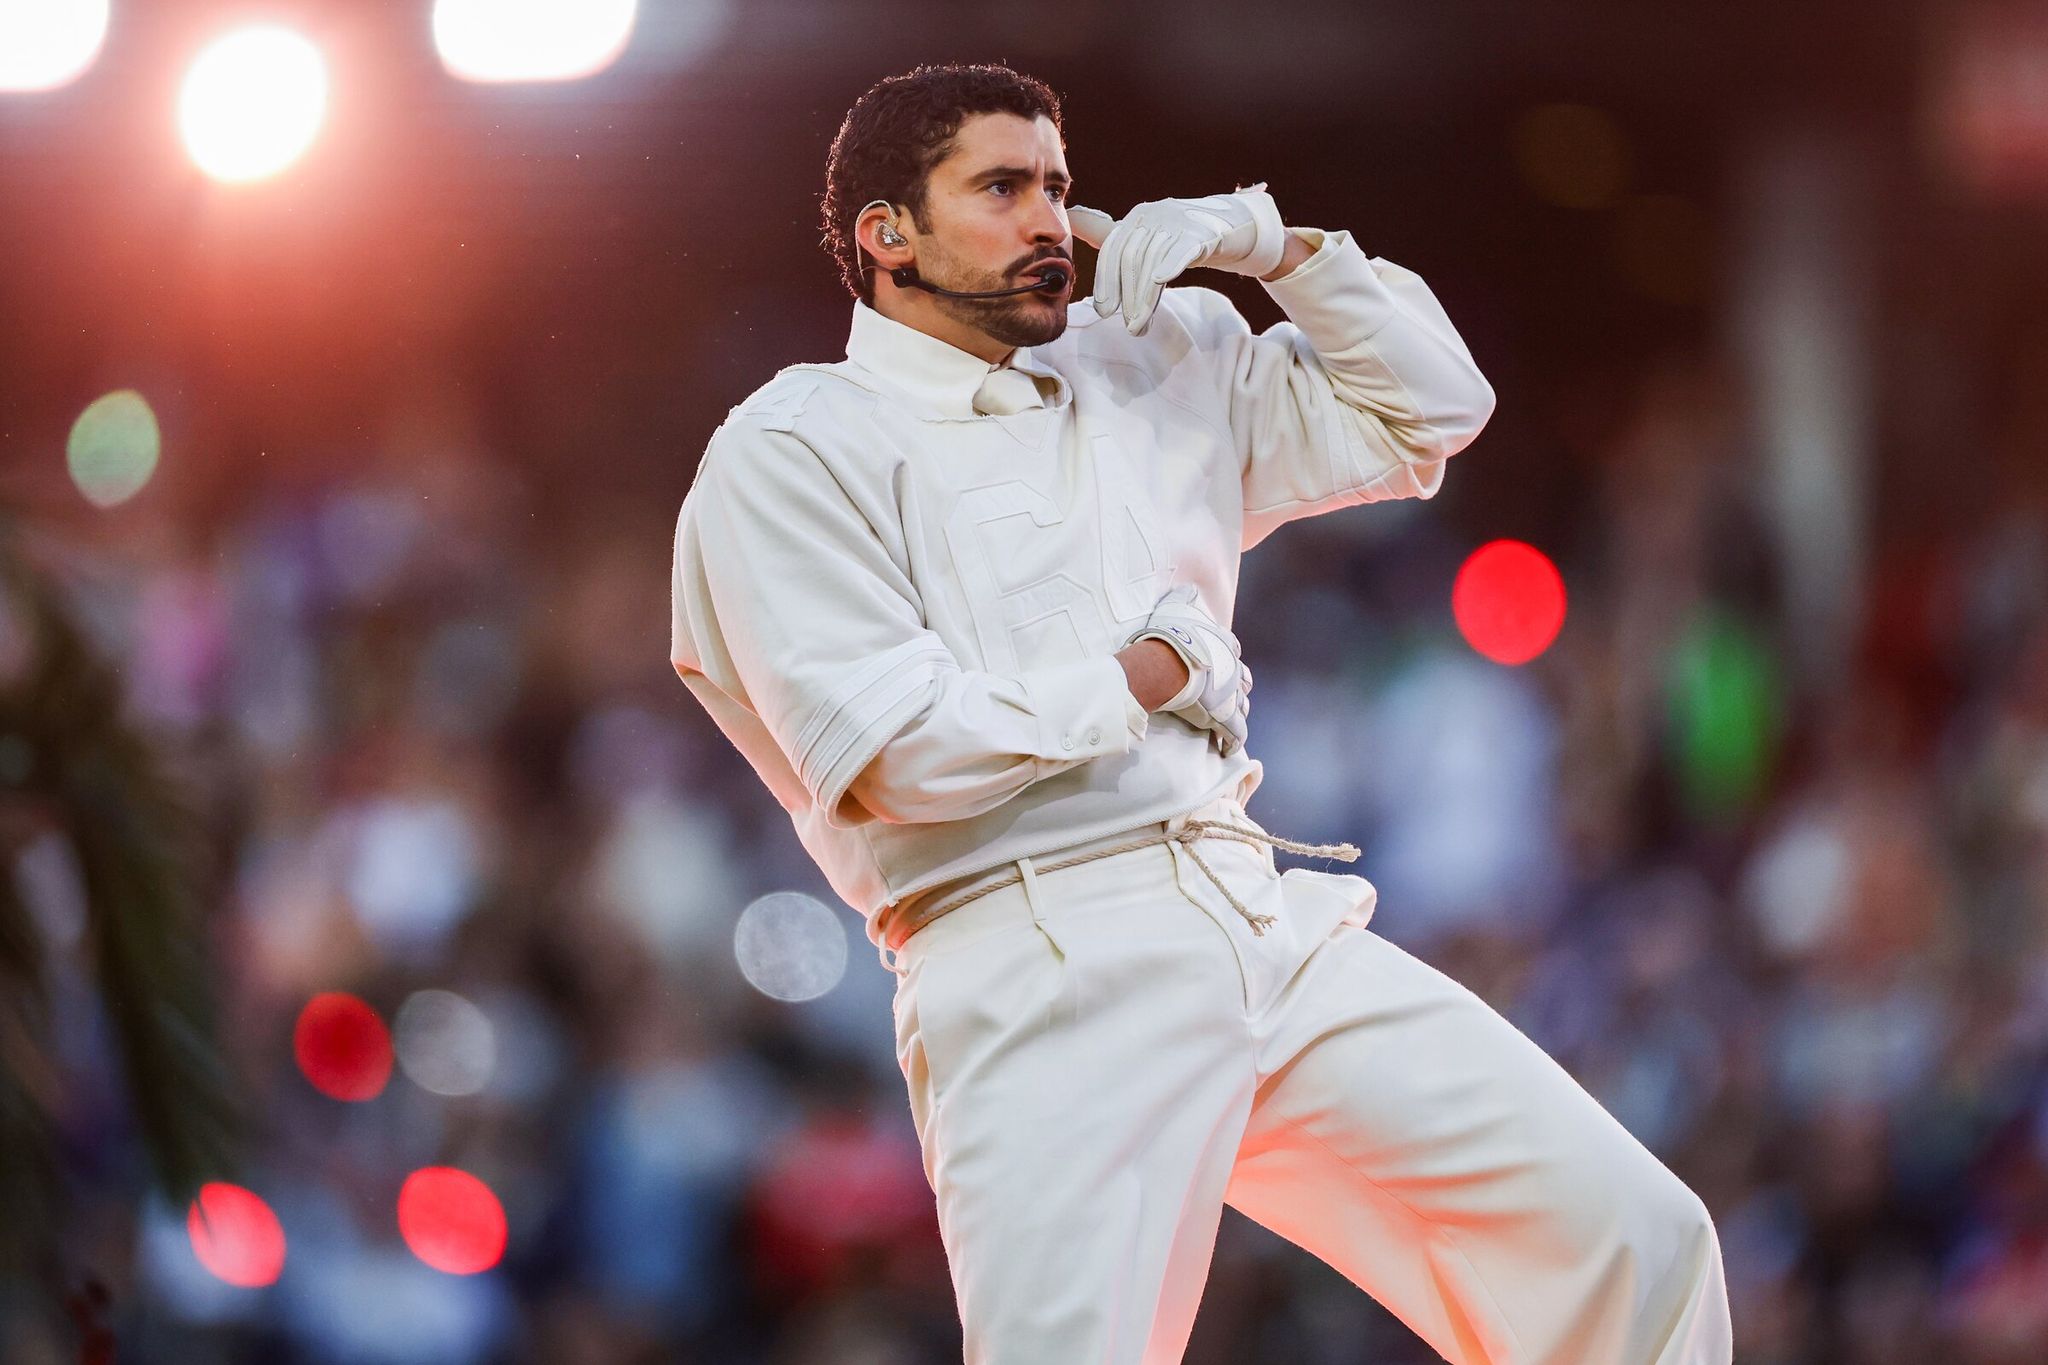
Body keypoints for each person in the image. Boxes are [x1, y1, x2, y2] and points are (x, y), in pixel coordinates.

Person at [669, 61, 1731, 1365]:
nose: (1049, 219)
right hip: (1032, 949)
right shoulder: (795, 443)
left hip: (1251, 908)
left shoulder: (1152, 362)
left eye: (1057, 185)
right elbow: (894, 755)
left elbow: (1433, 408)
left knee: (1636, 1245)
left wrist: (1279, 247)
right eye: (1001, 187)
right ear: (887, 234)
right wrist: (1144, 675)